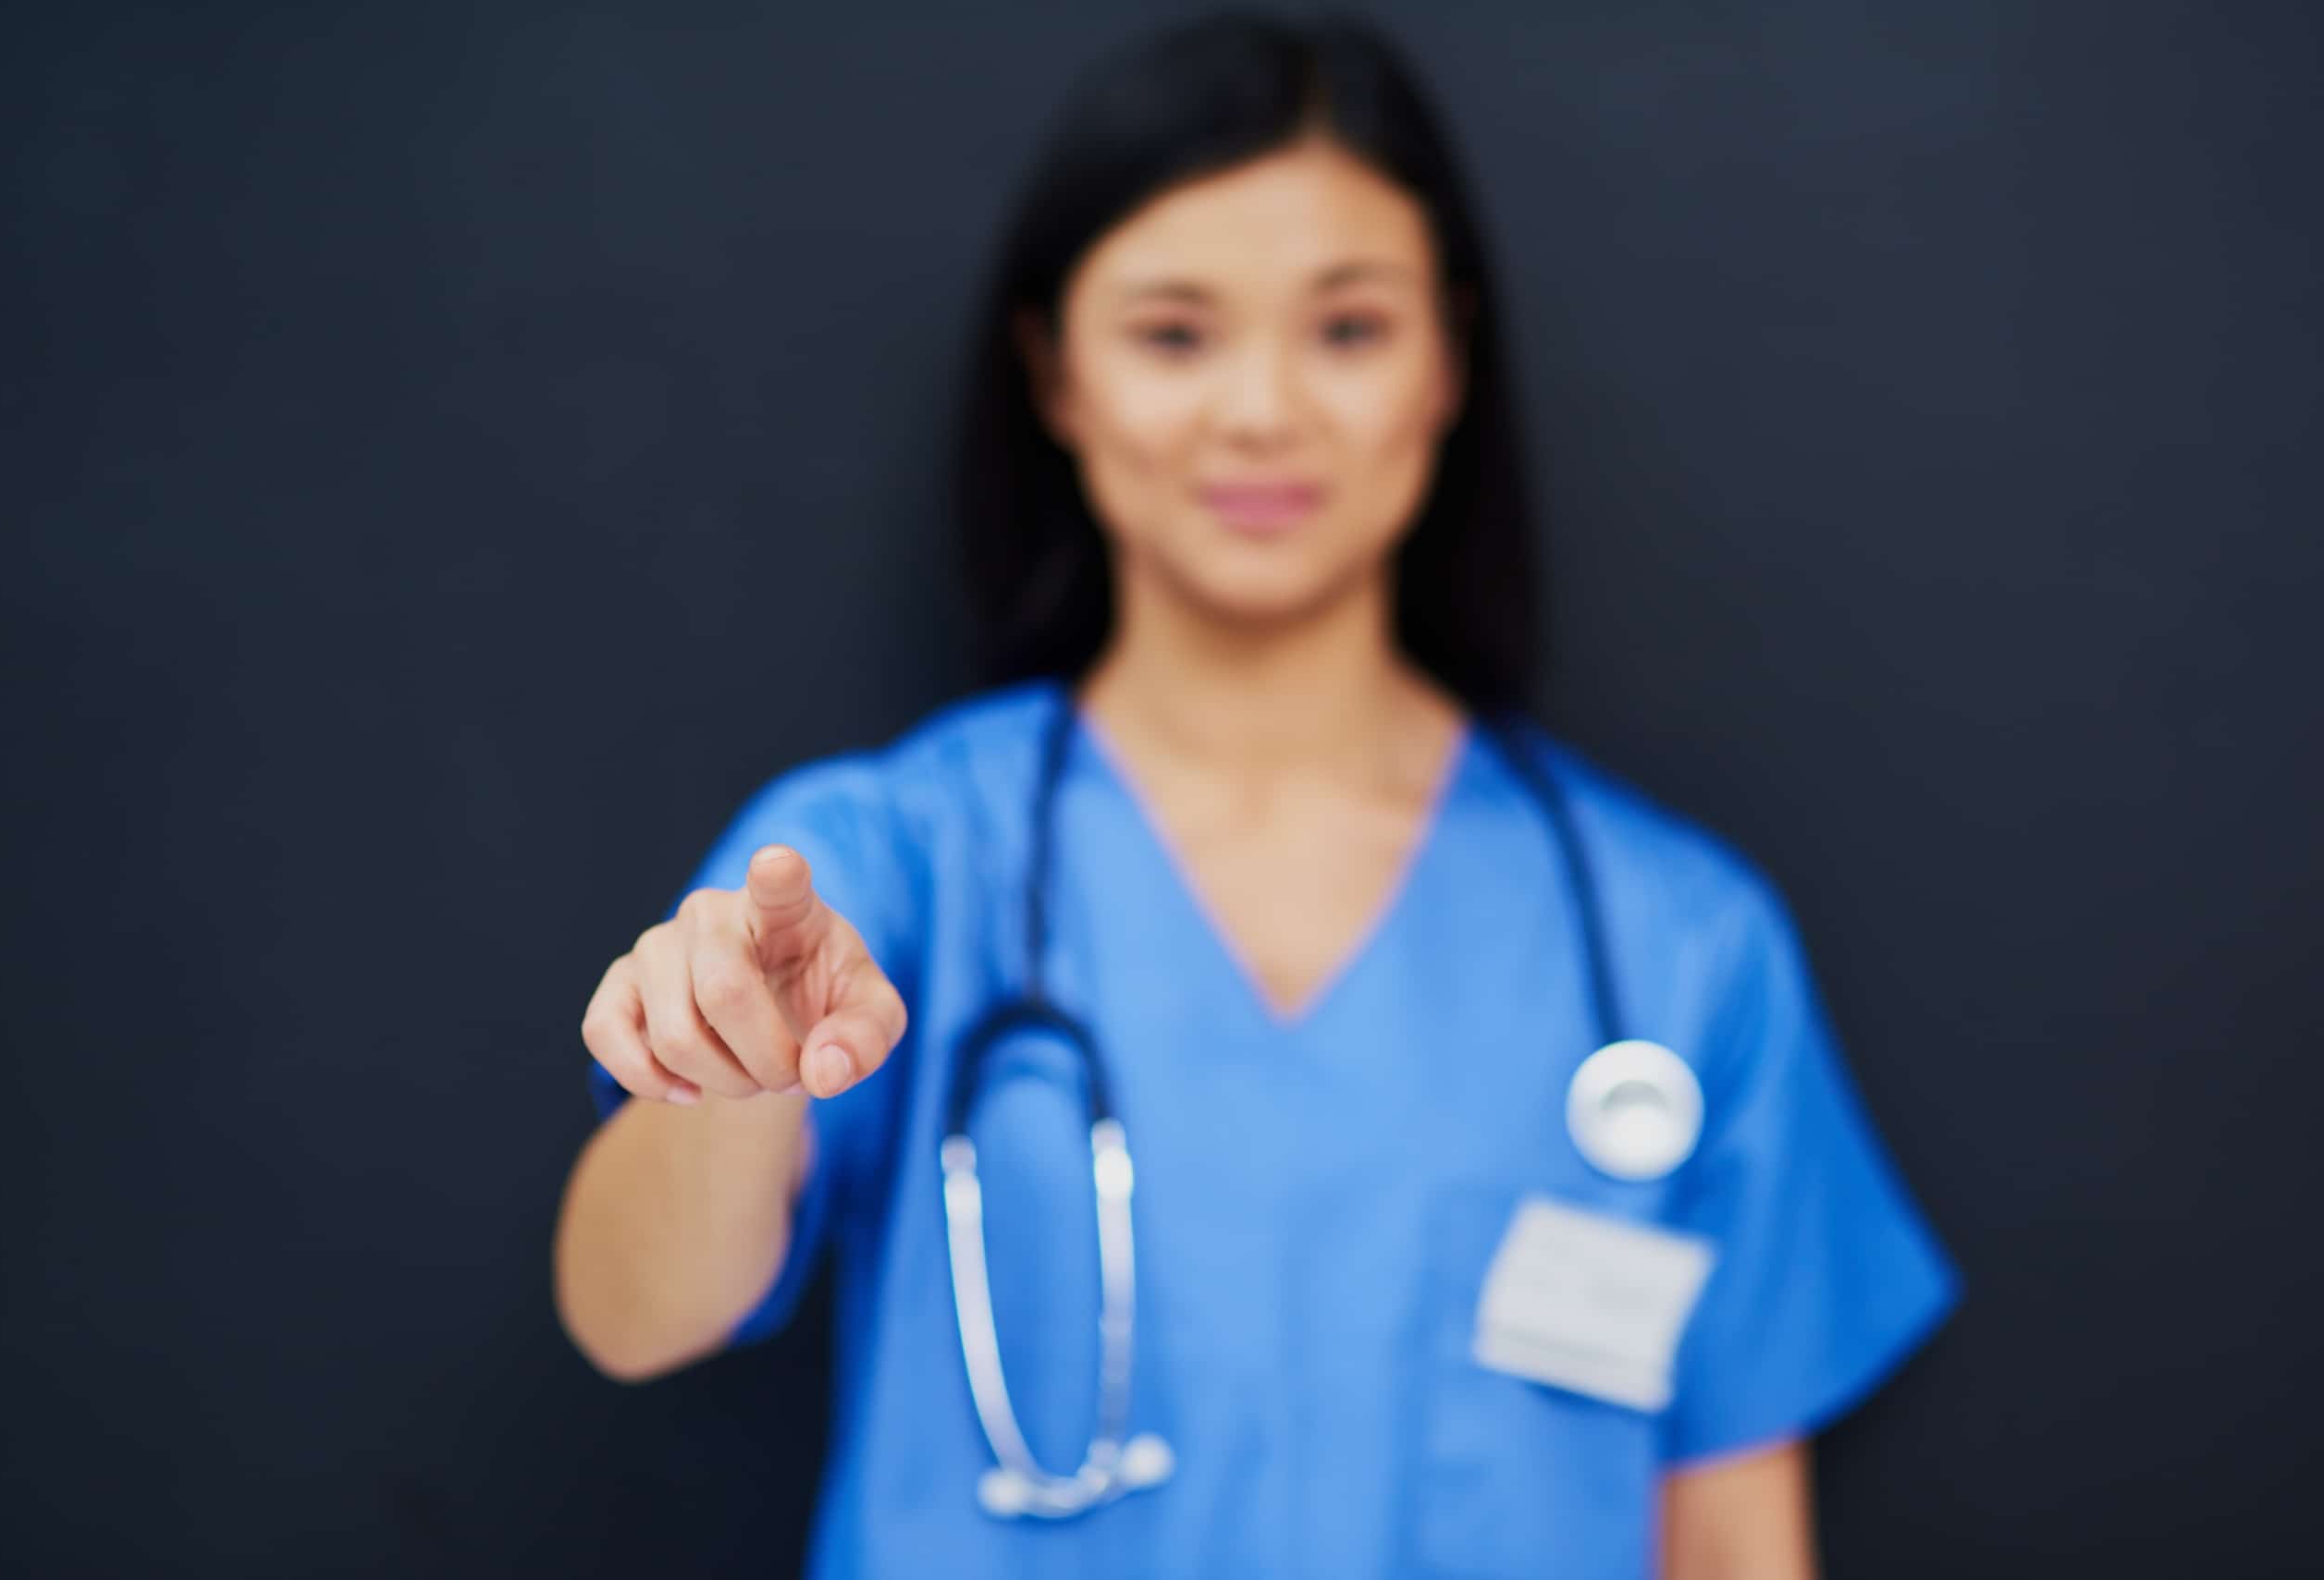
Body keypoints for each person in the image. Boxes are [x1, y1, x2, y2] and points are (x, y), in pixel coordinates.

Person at [553, 11, 1957, 1576]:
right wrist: (720, 1072)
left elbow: (1735, 1539)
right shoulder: (887, 865)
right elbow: (633, 1316)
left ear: (1448, 363)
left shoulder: (1677, 942)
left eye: (1348, 329)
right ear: (1056, 375)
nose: (1263, 411)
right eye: (1174, 333)